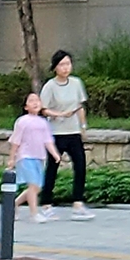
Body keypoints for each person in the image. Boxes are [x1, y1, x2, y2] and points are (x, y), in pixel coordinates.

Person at [37, 50, 91, 220]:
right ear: (55, 67)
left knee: (80, 166)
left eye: (68, 64)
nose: (66, 68)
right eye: (62, 64)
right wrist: (59, 114)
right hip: (56, 133)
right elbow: (42, 109)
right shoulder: (50, 86)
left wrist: (83, 127)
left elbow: (80, 106)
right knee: (52, 168)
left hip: (73, 131)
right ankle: (46, 204)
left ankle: (78, 203)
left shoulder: (76, 83)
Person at [7, 92, 59, 228]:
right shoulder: (22, 121)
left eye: (37, 100)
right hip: (25, 156)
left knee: (36, 187)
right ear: (25, 106)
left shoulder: (43, 122)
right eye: (31, 101)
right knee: (32, 185)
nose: (35, 103)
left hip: (39, 157)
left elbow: (48, 140)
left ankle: (14, 204)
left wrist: (55, 154)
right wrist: (12, 158)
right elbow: (15, 141)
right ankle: (34, 213)